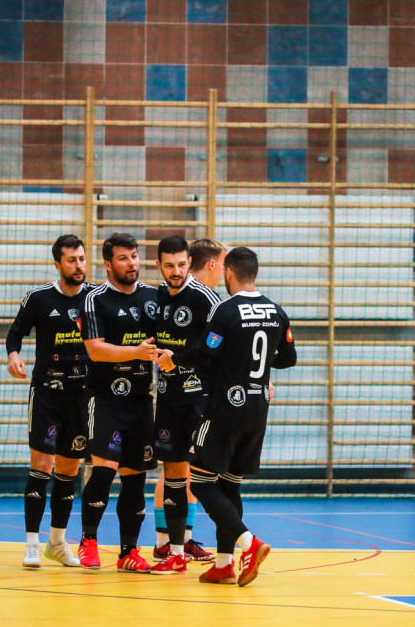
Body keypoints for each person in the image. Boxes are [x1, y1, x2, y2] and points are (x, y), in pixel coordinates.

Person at [159, 247, 297, 586]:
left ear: (229, 273)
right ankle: (224, 563)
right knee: (230, 483)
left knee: (202, 481)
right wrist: (257, 367)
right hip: (258, 409)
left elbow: (204, 353)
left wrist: (173, 359)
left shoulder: (226, 309)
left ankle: (249, 542)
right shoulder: (276, 311)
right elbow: (288, 358)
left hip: (224, 410)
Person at [6, 235, 93, 568]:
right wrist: (14, 355)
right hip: (47, 393)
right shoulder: (39, 297)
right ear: (58, 264)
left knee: (70, 471)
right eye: (71, 260)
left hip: (83, 397)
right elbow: (16, 333)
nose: (78, 266)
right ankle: (32, 543)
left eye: (82, 259)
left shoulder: (95, 297)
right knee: (42, 466)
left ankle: (57, 542)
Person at [77, 233, 160, 572]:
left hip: (141, 400)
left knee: (136, 476)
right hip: (105, 398)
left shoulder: (153, 297)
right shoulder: (95, 299)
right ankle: (88, 541)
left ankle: (129, 551)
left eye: (135, 257)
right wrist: (137, 352)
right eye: (124, 258)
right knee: (104, 470)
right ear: (108, 264)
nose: (132, 264)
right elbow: (95, 349)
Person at [148, 237, 222, 574]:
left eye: (181, 265)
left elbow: (221, 345)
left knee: (207, 476)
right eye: (169, 266)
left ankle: (233, 548)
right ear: (160, 265)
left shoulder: (206, 298)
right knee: (174, 474)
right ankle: (175, 550)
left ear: (189, 262)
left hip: (200, 401)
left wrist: (177, 360)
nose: (176, 272)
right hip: (167, 400)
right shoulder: (157, 297)